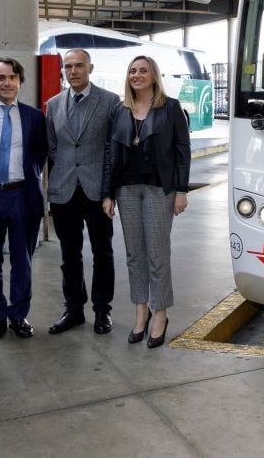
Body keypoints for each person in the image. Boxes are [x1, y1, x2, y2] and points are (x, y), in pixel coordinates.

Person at [102, 55, 190, 349]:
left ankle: (161, 313)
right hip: (127, 190)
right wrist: (108, 193)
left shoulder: (171, 108)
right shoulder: (120, 110)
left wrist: (181, 190)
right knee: (134, 254)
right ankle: (141, 311)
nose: (136, 75)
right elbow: (110, 154)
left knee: (157, 254)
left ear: (154, 75)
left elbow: (182, 151)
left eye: (143, 70)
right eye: (132, 71)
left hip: (158, 190)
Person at [0, 57, 47, 341]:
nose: (7, 83)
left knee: (22, 261)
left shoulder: (35, 117)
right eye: (0, 78)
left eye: (12, 77)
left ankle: (18, 315)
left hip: (23, 197)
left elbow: (40, 155)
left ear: (19, 82)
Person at [45, 49, 120, 335]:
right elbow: (53, 147)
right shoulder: (53, 104)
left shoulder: (110, 102)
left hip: (97, 192)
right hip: (64, 191)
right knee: (69, 254)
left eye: (78, 65)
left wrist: (109, 192)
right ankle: (73, 309)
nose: (73, 71)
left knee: (103, 253)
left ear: (90, 67)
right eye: (68, 66)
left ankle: (102, 310)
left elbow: (112, 150)